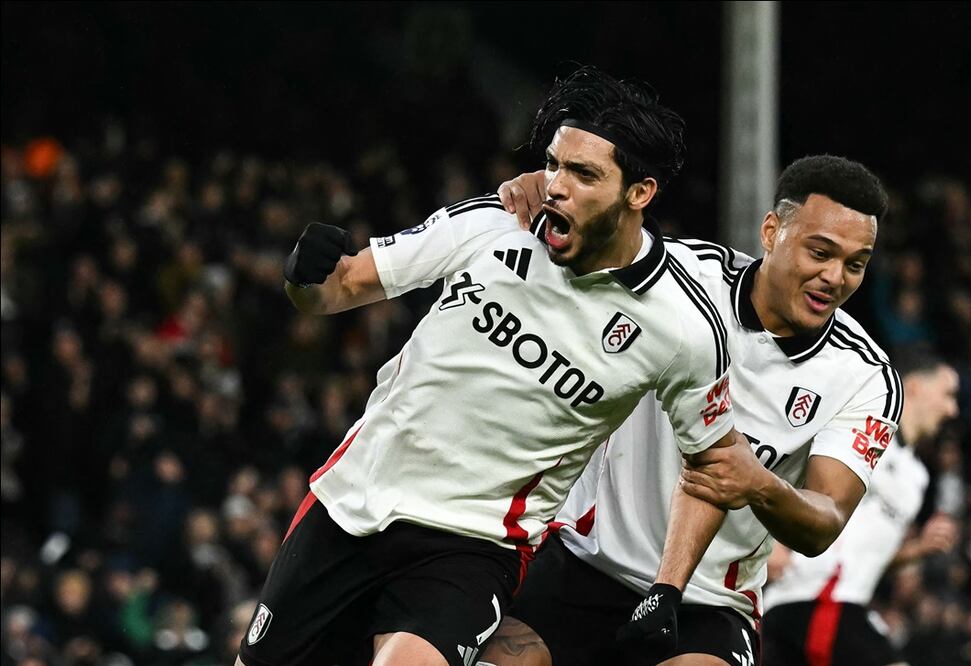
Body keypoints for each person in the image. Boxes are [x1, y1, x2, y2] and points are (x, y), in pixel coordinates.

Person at [236, 66, 744, 666]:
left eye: (584, 174)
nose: (555, 185)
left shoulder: (681, 328)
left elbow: (713, 461)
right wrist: (305, 274)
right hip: (353, 499)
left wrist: (669, 587)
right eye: (554, 163)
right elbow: (340, 288)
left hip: (474, 542)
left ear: (640, 193)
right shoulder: (493, 224)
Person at [484, 154, 896, 665]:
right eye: (820, 252)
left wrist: (760, 484)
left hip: (708, 607)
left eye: (854, 264)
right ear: (771, 232)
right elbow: (584, 234)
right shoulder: (677, 273)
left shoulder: (865, 379)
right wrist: (543, 191)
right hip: (585, 561)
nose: (834, 276)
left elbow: (826, 519)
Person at [762, 346, 961, 666]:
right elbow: (783, 474)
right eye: (948, 394)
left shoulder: (917, 477)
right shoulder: (860, 434)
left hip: (841, 606)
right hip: (807, 600)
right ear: (915, 387)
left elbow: (866, 559)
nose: (953, 410)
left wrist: (917, 549)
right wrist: (770, 543)